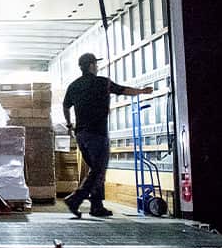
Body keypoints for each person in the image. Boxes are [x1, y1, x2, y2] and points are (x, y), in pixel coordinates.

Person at [62, 53, 154, 218]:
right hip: (97, 134)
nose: (97, 67)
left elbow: (65, 106)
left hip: (81, 135)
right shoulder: (102, 82)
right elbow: (123, 90)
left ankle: (97, 207)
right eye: (95, 64)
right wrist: (142, 91)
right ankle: (75, 199)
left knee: (96, 171)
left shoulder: (74, 86)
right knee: (98, 171)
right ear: (91, 65)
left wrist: (69, 125)